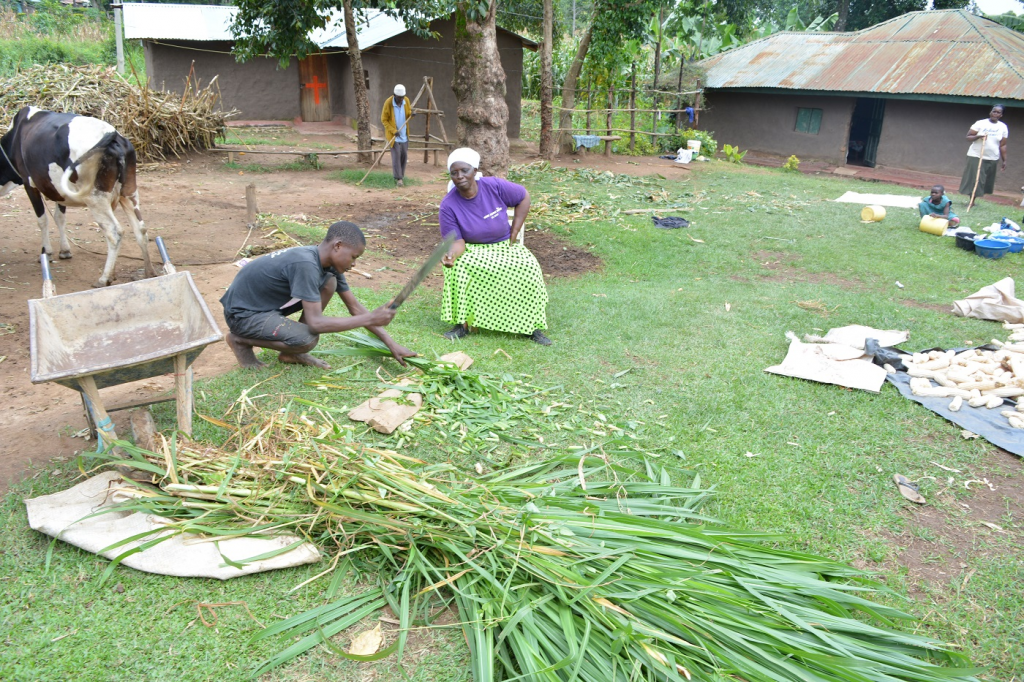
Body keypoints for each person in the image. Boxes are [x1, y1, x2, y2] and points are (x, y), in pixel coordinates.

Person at [220, 221, 416, 370]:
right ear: (338, 246)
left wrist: (392, 344)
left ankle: (289, 354)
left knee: (329, 283)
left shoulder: (329, 266)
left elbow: (355, 308)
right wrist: (372, 317)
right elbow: (316, 324)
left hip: (264, 309)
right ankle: (240, 340)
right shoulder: (305, 264)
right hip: (243, 315)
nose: (354, 264)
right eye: (354, 257)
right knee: (307, 339)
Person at [439, 148, 551, 346]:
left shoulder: (493, 186)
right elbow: (457, 241)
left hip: (503, 245)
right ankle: (462, 324)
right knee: (458, 269)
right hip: (472, 249)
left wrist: (514, 232)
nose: (459, 176)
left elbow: (523, 196)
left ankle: (531, 327)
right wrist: (451, 256)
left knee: (528, 267)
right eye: (454, 173)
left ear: (474, 170)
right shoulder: (448, 205)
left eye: (464, 170)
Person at [959, 105, 1009, 206]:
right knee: (975, 178)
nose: (995, 114)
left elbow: (1003, 145)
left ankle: (974, 199)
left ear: (1001, 115)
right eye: (993, 111)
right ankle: (971, 201)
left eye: (998, 112)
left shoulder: (1003, 127)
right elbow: (968, 137)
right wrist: (978, 136)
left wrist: (1004, 160)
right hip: (976, 155)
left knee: (984, 180)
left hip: (992, 157)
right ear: (990, 112)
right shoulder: (980, 123)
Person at [381, 84, 412, 187]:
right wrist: (393, 130)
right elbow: (384, 120)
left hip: (404, 134)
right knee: (396, 155)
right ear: (394, 95)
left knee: (404, 155)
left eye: (402, 97)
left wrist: (412, 114)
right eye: (399, 97)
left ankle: (401, 176)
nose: (401, 99)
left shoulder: (406, 101)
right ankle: (398, 178)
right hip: (393, 135)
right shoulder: (388, 103)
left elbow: (408, 114)